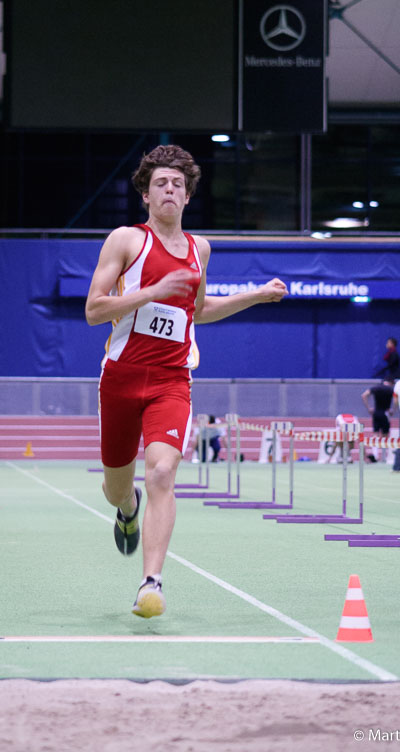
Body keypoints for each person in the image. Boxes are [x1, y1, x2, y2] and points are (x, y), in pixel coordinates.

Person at [85, 144, 287, 619]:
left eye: (178, 183)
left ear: (188, 195)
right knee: (117, 487)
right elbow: (94, 309)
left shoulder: (200, 249)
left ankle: (150, 584)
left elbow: (197, 313)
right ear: (146, 195)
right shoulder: (126, 240)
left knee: (161, 472)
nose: (170, 189)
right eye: (161, 183)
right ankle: (126, 508)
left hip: (172, 381)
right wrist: (150, 291)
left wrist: (254, 296)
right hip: (121, 378)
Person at [361, 380, 394, 463]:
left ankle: (375, 455)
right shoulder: (390, 389)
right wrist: (393, 409)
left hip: (376, 413)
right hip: (385, 413)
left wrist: (368, 408)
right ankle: (384, 457)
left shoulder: (376, 388)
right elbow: (397, 399)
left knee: (375, 434)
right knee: (385, 435)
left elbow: (364, 395)